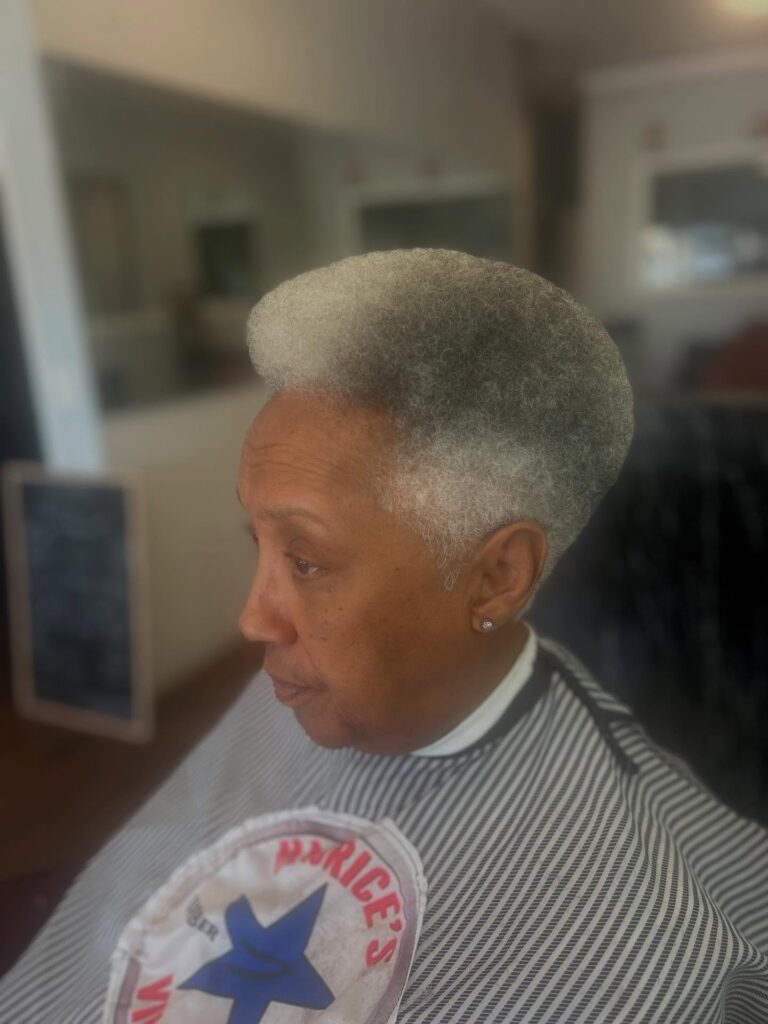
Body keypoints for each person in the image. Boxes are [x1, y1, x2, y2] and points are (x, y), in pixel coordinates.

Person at [3, 249, 767, 1023]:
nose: (253, 618)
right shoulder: (306, 686)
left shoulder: (643, 943)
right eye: (257, 546)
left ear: (499, 574)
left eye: (304, 560)